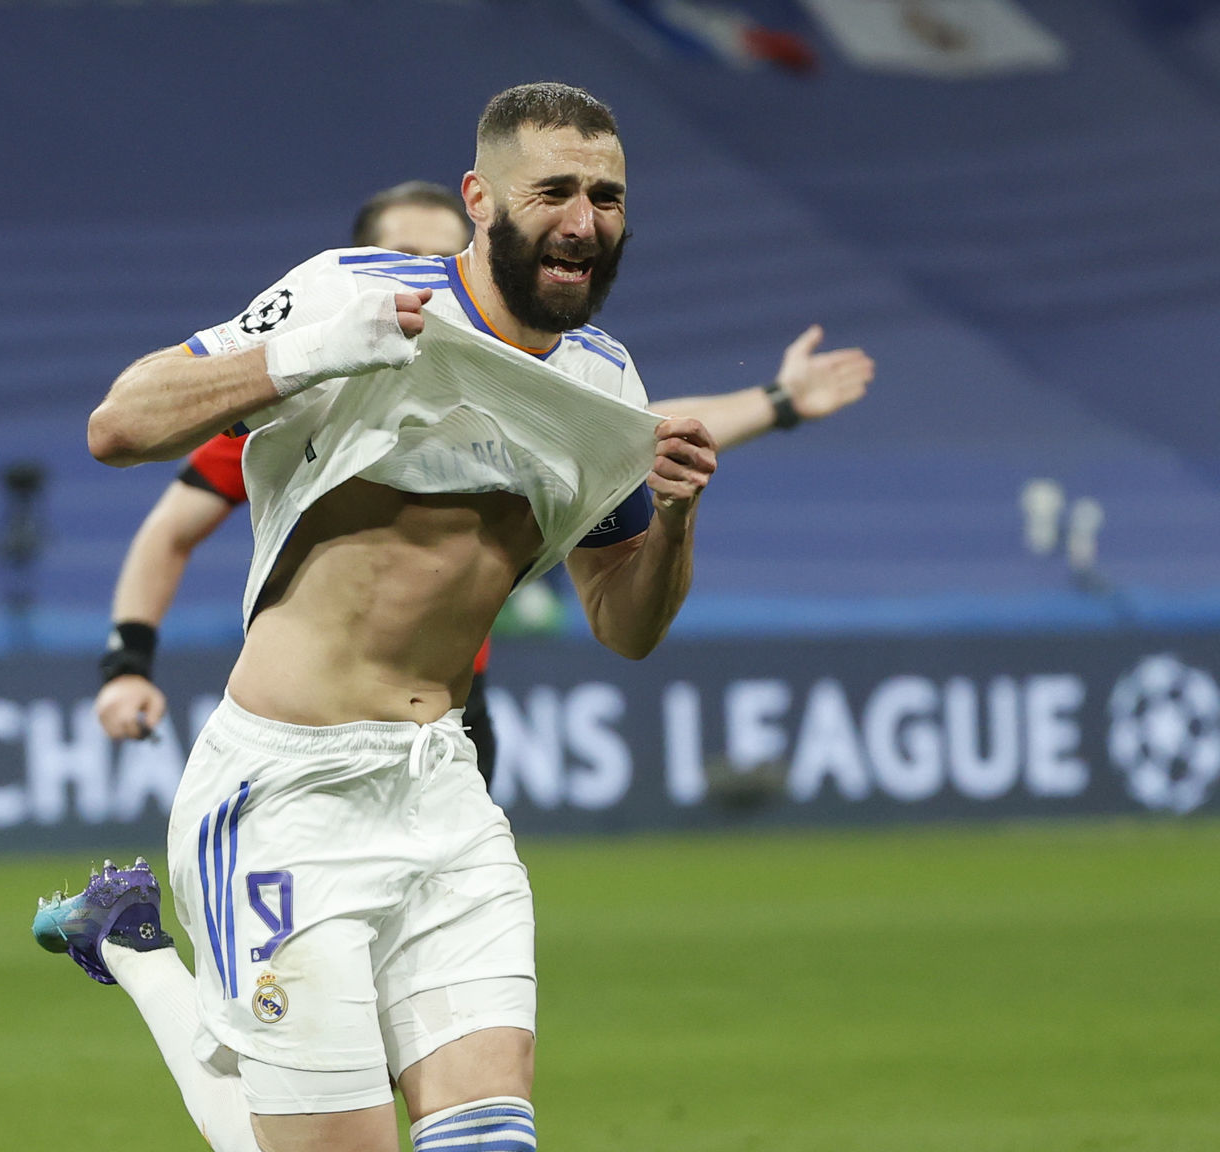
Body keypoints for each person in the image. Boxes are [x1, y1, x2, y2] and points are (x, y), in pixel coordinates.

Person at [46, 82, 722, 1152]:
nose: (583, 220)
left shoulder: (605, 383)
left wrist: (674, 520)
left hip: (441, 787)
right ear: (480, 201)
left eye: (605, 196)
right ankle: (133, 949)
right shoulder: (350, 294)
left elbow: (624, 626)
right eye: (552, 191)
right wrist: (306, 353)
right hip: (284, 795)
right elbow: (117, 425)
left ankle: (129, 940)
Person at [94, 182, 872, 787]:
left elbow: (639, 430)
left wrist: (777, 402)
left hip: (452, 727)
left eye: (441, 259)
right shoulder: (299, 411)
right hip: (306, 730)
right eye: (402, 256)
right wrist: (127, 665)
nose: (426, 283)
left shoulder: (537, 388)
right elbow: (166, 527)